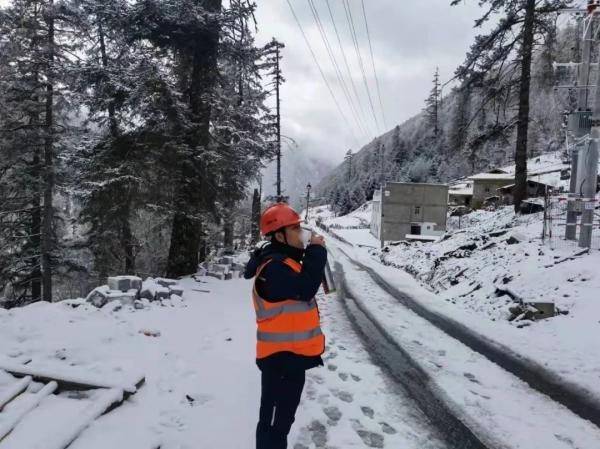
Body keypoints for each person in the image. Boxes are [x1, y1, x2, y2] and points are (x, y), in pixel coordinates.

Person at [244, 202, 327, 449]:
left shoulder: (286, 262)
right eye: (295, 229)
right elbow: (305, 288)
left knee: (282, 423)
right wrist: (316, 251)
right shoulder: (273, 269)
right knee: (272, 426)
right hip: (278, 361)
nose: (301, 234)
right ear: (280, 236)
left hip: (291, 358)